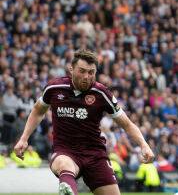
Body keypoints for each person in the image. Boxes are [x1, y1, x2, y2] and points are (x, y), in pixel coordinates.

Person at [14, 49, 155, 195]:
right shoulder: (54, 88)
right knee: (64, 164)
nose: (87, 76)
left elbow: (127, 124)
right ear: (71, 69)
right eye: (82, 71)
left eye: (91, 72)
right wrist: (24, 138)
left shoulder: (101, 93)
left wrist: (144, 145)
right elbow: (38, 110)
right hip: (65, 151)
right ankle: (68, 191)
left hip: (95, 154)